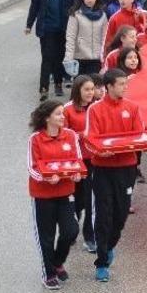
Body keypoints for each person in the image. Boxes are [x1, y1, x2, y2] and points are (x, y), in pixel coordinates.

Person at [85, 68, 147, 282]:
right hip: (103, 169)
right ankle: (102, 262)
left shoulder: (132, 107)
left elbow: (139, 135)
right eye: (121, 84)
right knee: (104, 214)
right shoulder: (95, 109)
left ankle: (109, 246)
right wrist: (101, 150)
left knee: (121, 214)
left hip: (126, 168)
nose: (124, 87)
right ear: (109, 86)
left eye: (125, 84)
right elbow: (91, 138)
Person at [27, 99, 84, 289]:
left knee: (71, 231)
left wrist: (77, 174)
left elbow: (77, 160)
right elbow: (32, 167)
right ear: (47, 118)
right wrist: (45, 178)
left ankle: (57, 261)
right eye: (58, 114)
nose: (62, 117)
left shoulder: (70, 135)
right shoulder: (35, 139)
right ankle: (49, 274)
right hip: (43, 196)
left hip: (65, 193)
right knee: (47, 237)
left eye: (63, 113)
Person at [26, 0, 76, 101]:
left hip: (63, 26)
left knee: (60, 56)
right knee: (47, 56)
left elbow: (74, 4)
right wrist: (29, 24)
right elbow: (35, 3)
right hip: (47, 25)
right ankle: (44, 88)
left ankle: (59, 84)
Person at [64, 75, 100, 253]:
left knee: (91, 200)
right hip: (75, 161)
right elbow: (62, 136)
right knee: (76, 200)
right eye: (86, 89)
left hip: (94, 159)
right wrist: (81, 135)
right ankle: (71, 231)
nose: (90, 92)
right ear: (77, 89)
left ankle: (90, 237)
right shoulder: (67, 110)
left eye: (92, 89)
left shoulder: (97, 107)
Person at [65, 0, 108, 76]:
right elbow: (70, 37)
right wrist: (68, 58)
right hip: (80, 57)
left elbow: (105, 37)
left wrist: (104, 56)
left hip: (97, 58)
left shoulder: (103, 16)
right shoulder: (76, 15)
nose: (90, 0)